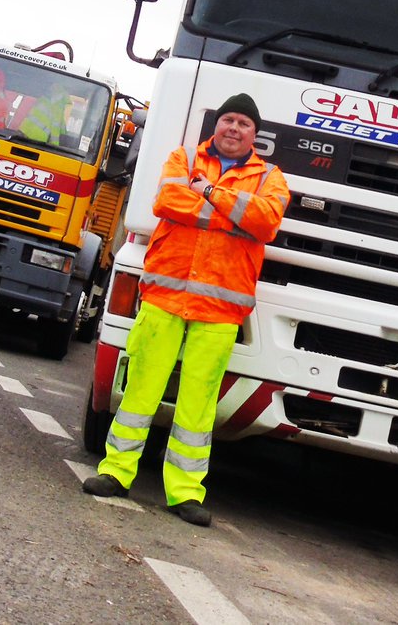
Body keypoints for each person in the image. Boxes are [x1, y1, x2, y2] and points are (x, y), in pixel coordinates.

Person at [82, 93, 289, 527]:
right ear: (216, 126)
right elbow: (167, 203)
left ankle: (185, 493)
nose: (234, 128)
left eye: (243, 124)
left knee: (199, 404)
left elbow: (267, 222)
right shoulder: (182, 158)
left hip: (220, 306)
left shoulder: (270, 176)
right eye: (228, 120)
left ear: (256, 135)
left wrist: (210, 193)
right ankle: (116, 472)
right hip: (166, 297)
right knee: (141, 389)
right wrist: (233, 214)